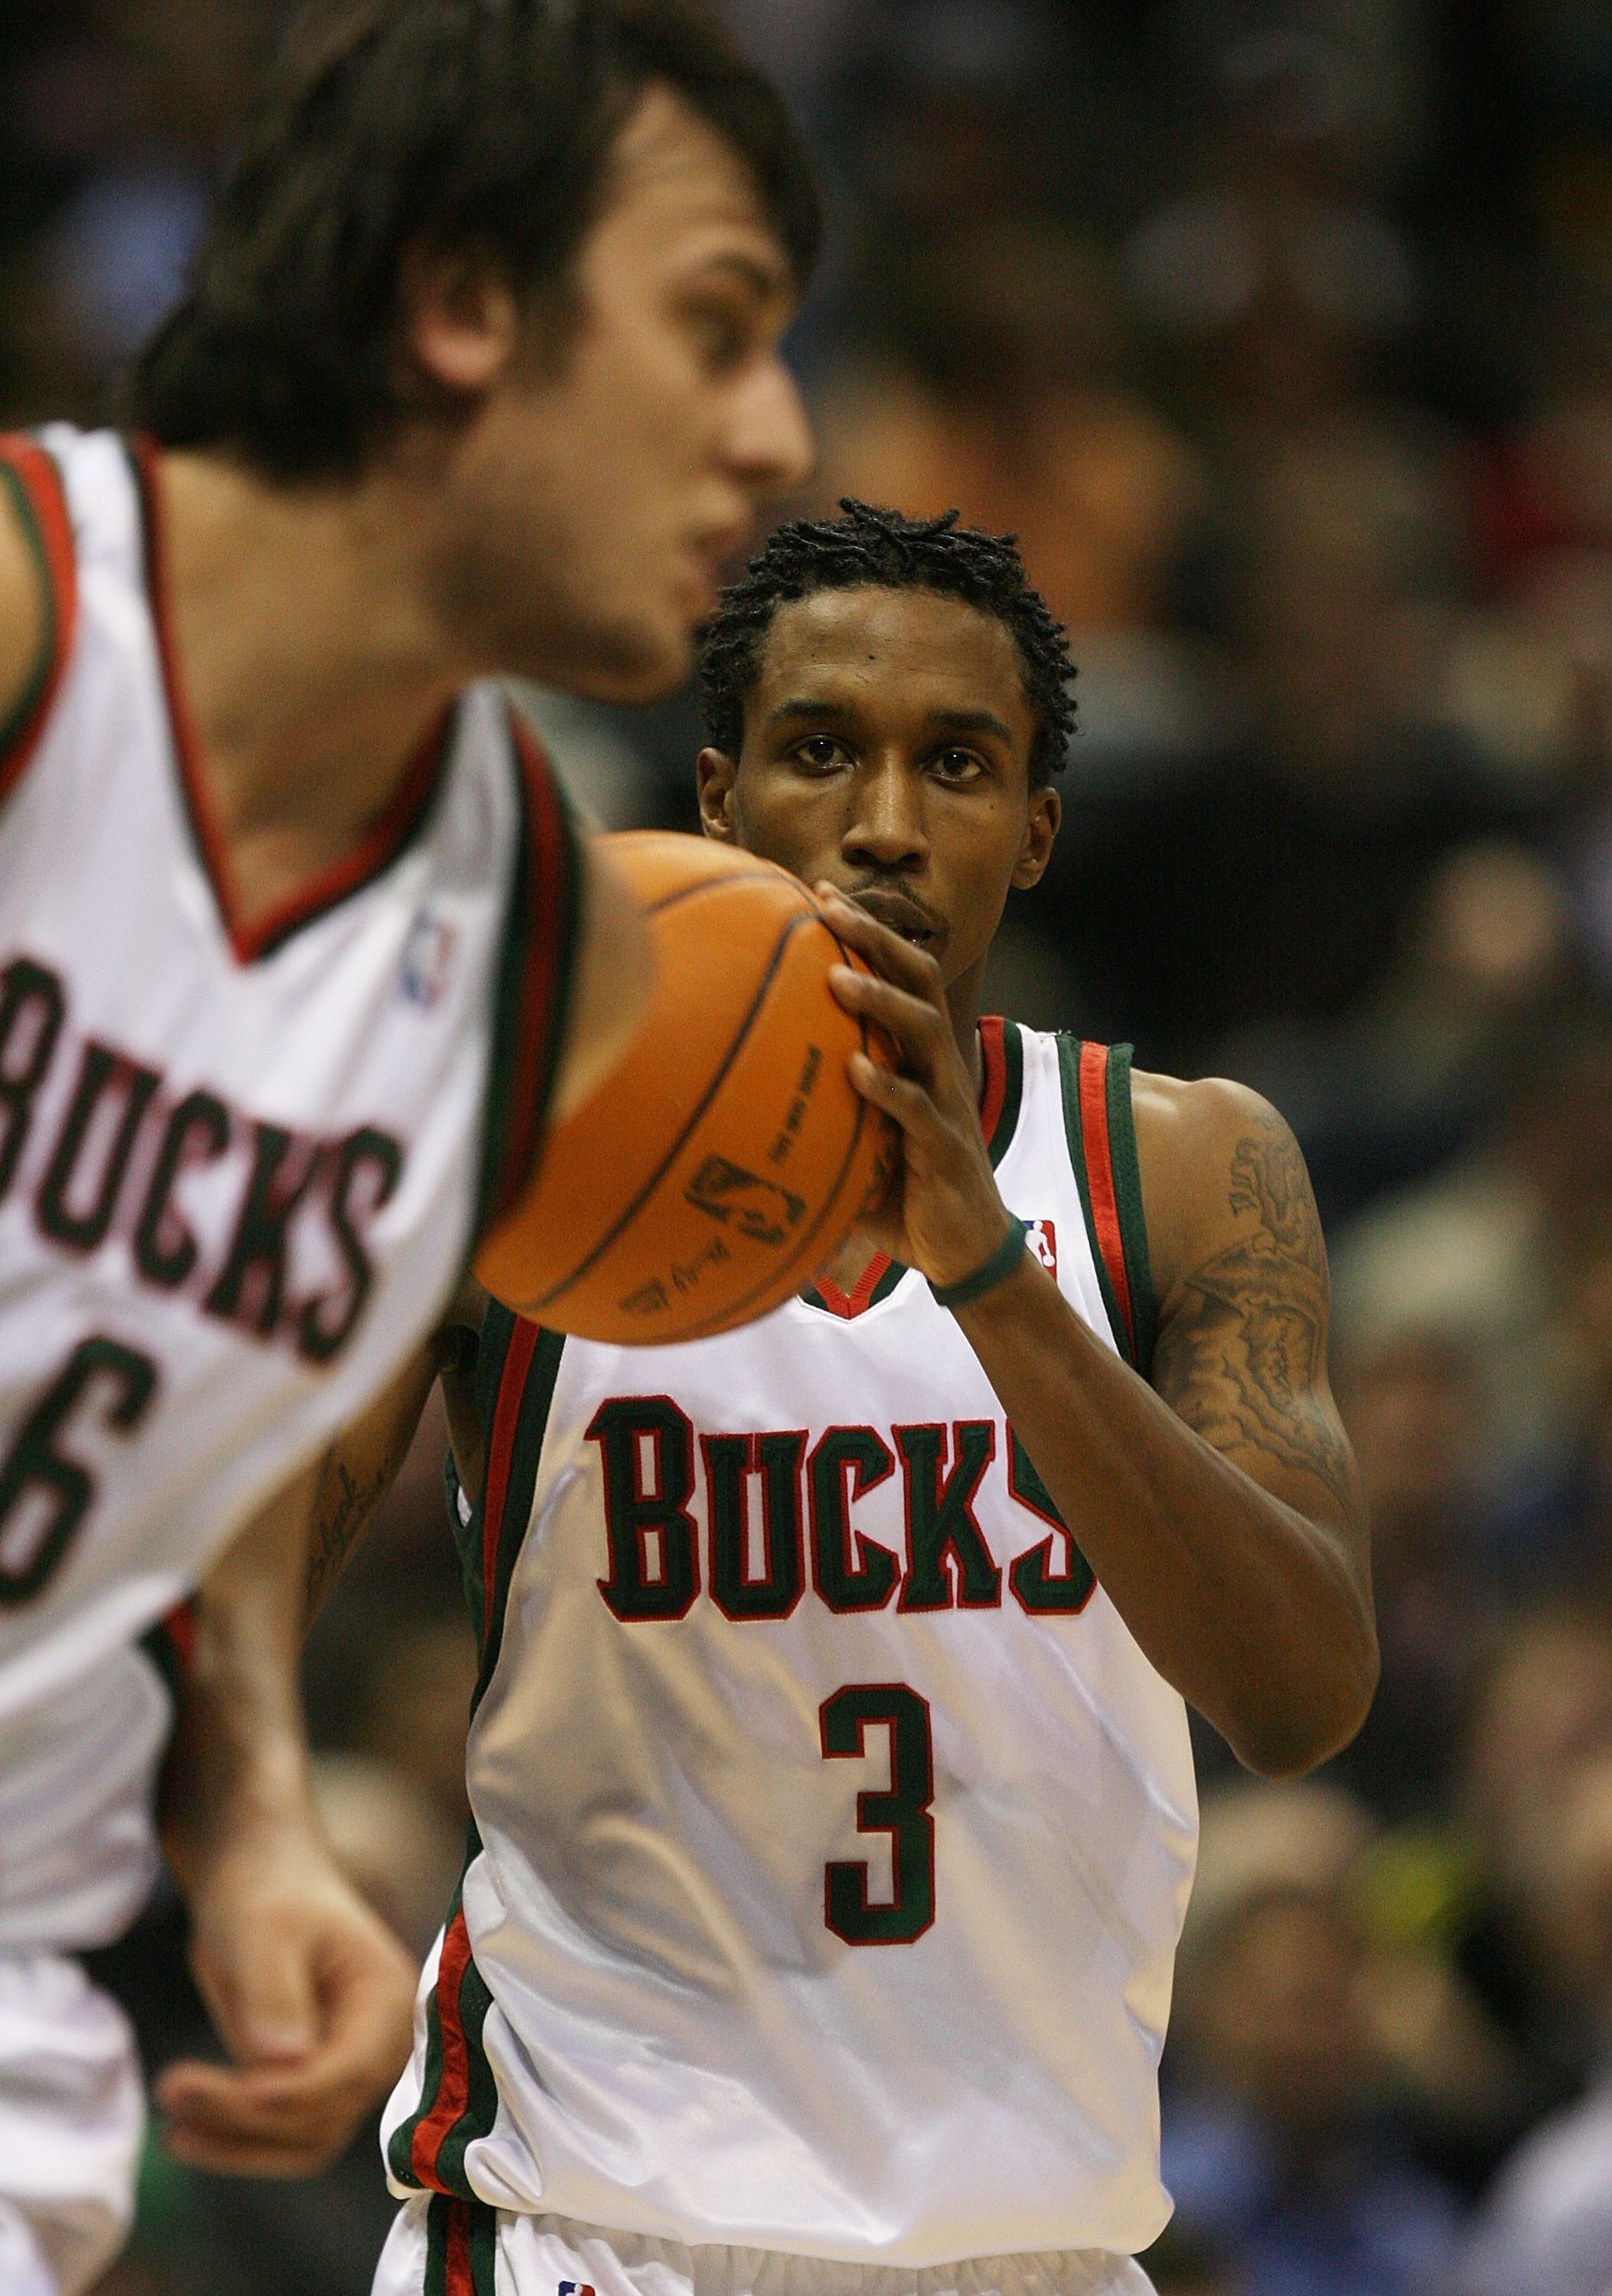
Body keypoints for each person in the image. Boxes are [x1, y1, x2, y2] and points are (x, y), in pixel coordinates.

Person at [316, 501, 1376, 2296]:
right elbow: (202, 1612)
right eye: (823, 753)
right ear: (721, 800)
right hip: (588, 2225)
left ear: (1036, 832)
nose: (886, 824)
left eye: (955, 765)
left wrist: (990, 1275)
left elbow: (1301, 1694)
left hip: (1026, 2241)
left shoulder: (1181, 1169)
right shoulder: (512, 1154)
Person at [0, 2, 817, 2288]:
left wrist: (248, 1808)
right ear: (461, 306)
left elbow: (221, 1448)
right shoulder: (37, 619)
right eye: (715, 327)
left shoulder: (549, 947)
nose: (779, 435)